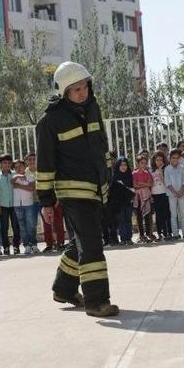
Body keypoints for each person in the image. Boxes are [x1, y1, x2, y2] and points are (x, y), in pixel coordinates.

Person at [36, 61, 119, 317]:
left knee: (82, 240)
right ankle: (96, 301)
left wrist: (106, 177)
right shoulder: (50, 122)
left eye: (84, 86)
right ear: (64, 92)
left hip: (96, 187)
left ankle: (64, 288)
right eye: (76, 89)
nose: (82, 92)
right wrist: (47, 202)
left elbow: (101, 145)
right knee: (92, 243)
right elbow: (45, 165)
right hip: (72, 191)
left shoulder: (93, 108)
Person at [0, 153, 20, 256]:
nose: (7, 164)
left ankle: (16, 246)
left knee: (16, 226)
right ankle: (6, 247)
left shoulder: (15, 174)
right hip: (3, 206)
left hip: (15, 205)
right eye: (4, 163)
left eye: (9, 162)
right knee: (4, 227)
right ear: (1, 164)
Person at [12, 159, 38, 254]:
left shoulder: (30, 176)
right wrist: (19, 178)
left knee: (31, 225)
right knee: (22, 226)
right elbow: (12, 182)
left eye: (20, 166)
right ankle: (26, 245)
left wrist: (19, 186)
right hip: (17, 205)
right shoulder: (14, 176)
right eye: (16, 167)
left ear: (24, 166)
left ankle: (34, 244)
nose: (18, 169)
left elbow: (31, 188)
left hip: (29, 204)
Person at [165, 149, 184, 240]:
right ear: (170, 158)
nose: (175, 160)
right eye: (173, 158)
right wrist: (175, 192)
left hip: (181, 194)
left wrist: (181, 191)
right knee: (173, 214)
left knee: (183, 213)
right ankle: (175, 234)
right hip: (172, 195)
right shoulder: (167, 169)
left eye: (177, 158)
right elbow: (167, 183)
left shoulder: (182, 168)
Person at [110, 157, 135, 245]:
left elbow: (132, 188)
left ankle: (129, 238)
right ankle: (123, 238)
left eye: (125, 165)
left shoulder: (129, 175)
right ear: (118, 166)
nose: (123, 167)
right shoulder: (115, 177)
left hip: (128, 202)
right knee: (122, 220)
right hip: (119, 203)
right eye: (121, 165)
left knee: (128, 219)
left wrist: (126, 188)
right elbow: (113, 191)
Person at [132, 156, 155, 242]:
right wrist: (145, 184)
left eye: (145, 163)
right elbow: (135, 185)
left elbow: (151, 184)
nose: (144, 165)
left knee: (147, 215)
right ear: (137, 164)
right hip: (137, 197)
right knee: (139, 216)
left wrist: (140, 183)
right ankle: (141, 235)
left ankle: (148, 234)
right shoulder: (134, 173)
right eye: (142, 163)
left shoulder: (148, 173)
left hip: (147, 196)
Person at [150, 151, 171, 241]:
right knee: (158, 215)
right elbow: (150, 184)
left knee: (166, 214)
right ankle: (159, 233)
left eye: (161, 160)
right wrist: (150, 195)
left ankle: (167, 233)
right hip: (155, 195)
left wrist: (160, 172)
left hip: (164, 194)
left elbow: (166, 183)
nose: (159, 162)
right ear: (154, 161)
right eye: (157, 160)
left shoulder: (165, 170)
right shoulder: (150, 171)